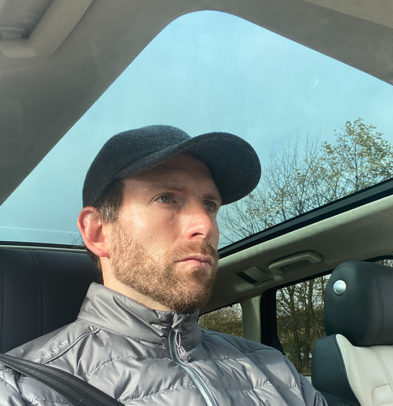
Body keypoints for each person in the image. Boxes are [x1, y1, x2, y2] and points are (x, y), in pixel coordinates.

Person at [0, 125, 327, 405]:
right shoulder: (24, 390)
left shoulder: (275, 370)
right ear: (98, 232)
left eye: (210, 204)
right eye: (167, 198)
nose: (206, 225)